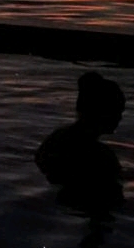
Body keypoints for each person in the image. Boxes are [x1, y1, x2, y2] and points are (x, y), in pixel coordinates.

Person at [35, 72, 126, 216]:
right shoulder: (101, 156)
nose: (120, 117)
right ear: (102, 112)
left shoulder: (56, 137)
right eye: (118, 111)